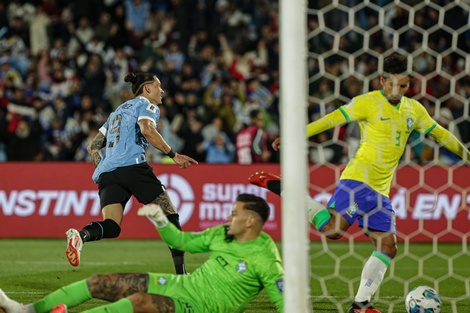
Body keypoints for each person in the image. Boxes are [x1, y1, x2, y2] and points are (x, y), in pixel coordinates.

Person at [249, 52, 470, 313]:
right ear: (381, 81)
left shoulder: (415, 109)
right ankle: (284, 187)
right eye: (393, 84)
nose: (398, 90)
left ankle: (361, 305)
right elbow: (331, 119)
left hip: (381, 190)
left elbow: (442, 135)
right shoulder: (367, 103)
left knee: (388, 246)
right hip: (358, 179)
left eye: (404, 85)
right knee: (333, 231)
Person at [0, 193, 284, 313]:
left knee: (139, 301)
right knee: (100, 281)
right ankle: (25, 310)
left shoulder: (265, 257)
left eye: (234, 214)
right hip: (183, 286)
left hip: (202, 308)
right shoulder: (222, 233)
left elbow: (287, 304)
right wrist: (161, 221)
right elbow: (183, 242)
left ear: (250, 221)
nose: (228, 216)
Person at [65, 72, 198, 275]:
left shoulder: (117, 112)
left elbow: (94, 146)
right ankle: (181, 273)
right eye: (158, 86)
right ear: (147, 89)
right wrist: (174, 155)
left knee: (112, 226)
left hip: (107, 173)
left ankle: (81, 235)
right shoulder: (147, 105)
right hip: (133, 166)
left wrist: (104, 169)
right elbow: (147, 129)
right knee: (170, 215)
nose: (161, 91)